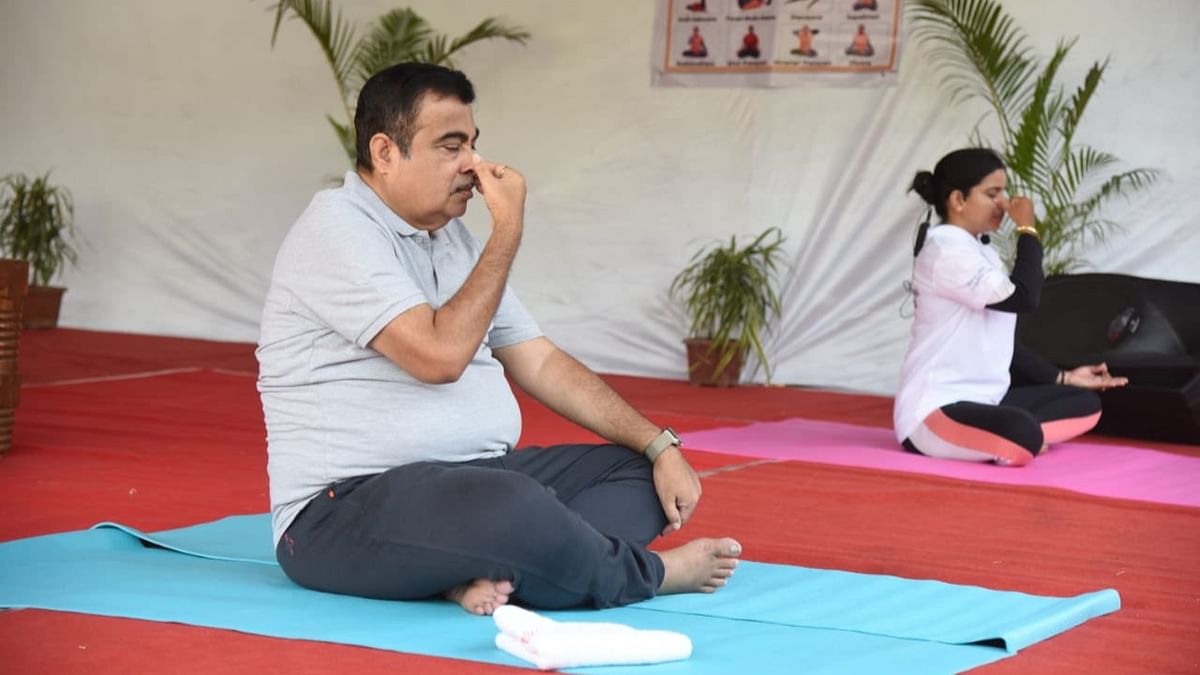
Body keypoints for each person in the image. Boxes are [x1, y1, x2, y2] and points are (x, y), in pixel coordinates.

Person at [256, 63, 741, 616]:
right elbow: (437, 358)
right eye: (450, 146)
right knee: (512, 506)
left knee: (637, 474)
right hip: (341, 512)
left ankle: (477, 566)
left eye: (473, 144)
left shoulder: (450, 238)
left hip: (474, 486)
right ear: (385, 153)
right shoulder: (337, 229)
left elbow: (537, 359)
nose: (473, 164)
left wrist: (659, 444)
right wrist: (507, 230)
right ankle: (645, 574)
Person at [893, 148, 1128, 466]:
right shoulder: (947, 251)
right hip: (934, 411)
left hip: (988, 400)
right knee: (1022, 430)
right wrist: (1028, 230)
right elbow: (1024, 297)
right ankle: (1013, 440)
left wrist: (1063, 378)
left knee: (1085, 403)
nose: (1003, 203)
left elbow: (998, 341)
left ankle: (1005, 440)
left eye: (1003, 192)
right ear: (958, 200)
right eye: (992, 193)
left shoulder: (980, 250)